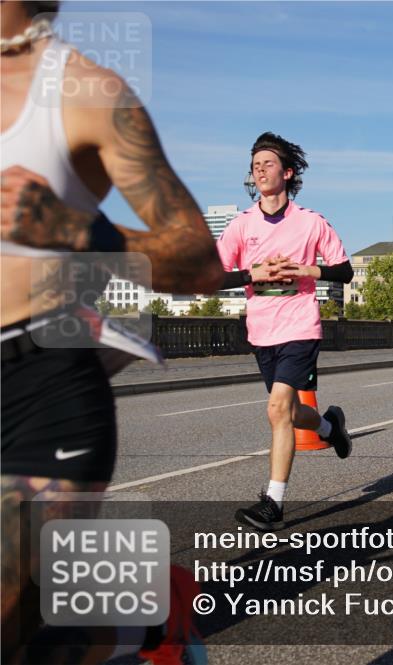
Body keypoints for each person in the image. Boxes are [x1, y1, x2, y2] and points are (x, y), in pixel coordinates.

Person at [1, 2, 223, 662]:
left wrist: (77, 230)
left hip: (38, 382)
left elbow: (200, 259)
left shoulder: (87, 95)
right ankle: (139, 618)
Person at [216, 132, 354, 532]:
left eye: (268, 163)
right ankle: (330, 427)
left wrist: (308, 270)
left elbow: (343, 270)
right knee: (290, 413)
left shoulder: (311, 223)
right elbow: (213, 276)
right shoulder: (241, 226)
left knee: (277, 410)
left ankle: (273, 503)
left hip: (300, 326)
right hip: (262, 331)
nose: (259, 169)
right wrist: (252, 273)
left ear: (287, 173)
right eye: (255, 165)